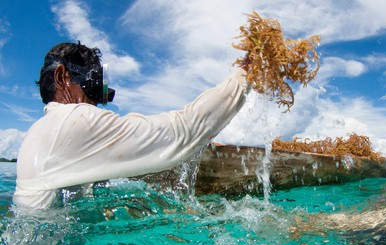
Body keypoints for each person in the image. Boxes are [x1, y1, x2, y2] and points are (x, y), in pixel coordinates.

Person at [14, 42, 251, 209]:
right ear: (62, 77)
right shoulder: (74, 120)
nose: (97, 100)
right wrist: (246, 74)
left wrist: (201, 146)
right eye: (93, 85)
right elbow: (184, 130)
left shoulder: (42, 132)